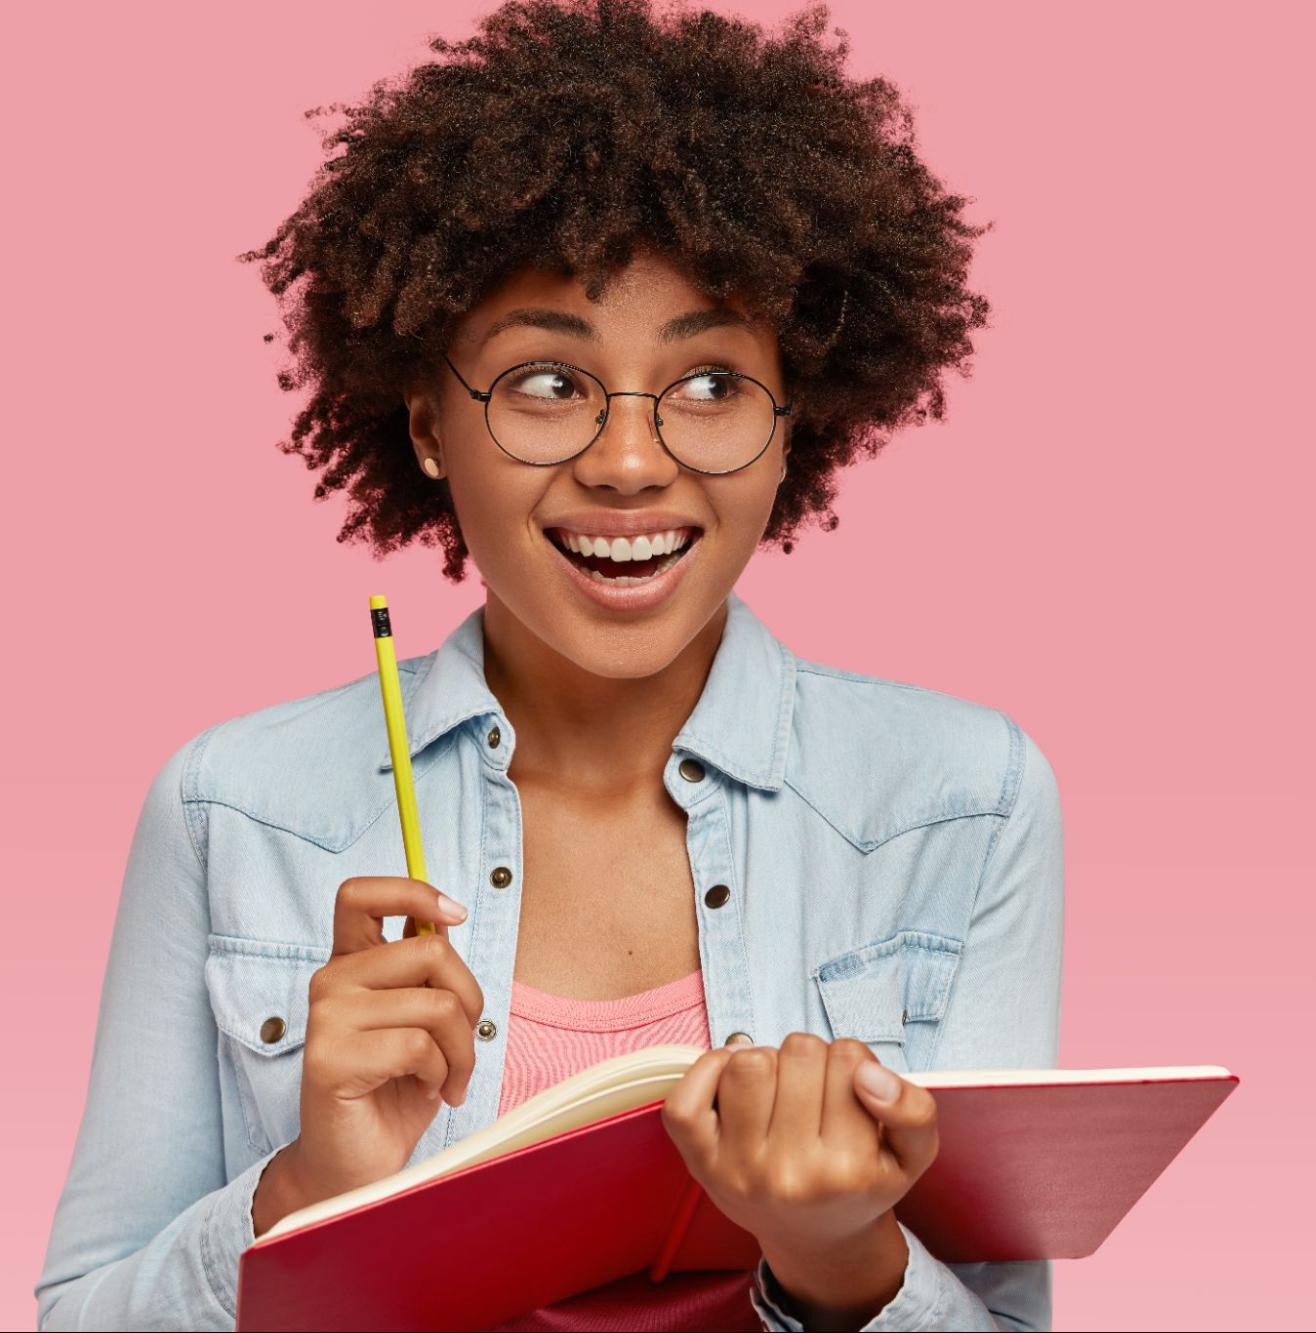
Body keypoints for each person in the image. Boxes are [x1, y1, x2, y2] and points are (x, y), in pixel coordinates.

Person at [35, 2, 1061, 1328]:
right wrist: (305, 1188)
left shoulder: (964, 801)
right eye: (545, 383)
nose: (631, 460)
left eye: (706, 384)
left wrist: (841, 1254)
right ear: (425, 422)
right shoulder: (231, 806)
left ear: (792, 420)